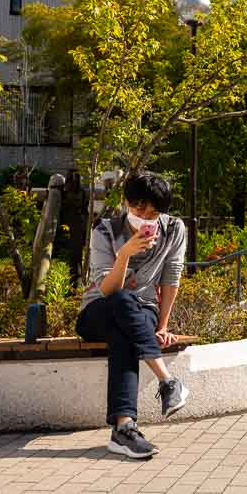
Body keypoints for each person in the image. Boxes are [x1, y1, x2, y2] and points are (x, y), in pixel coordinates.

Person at [76, 173, 189, 458]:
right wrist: (124, 254)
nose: (146, 217)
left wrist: (162, 326)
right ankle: (167, 381)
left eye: (153, 212)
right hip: (97, 311)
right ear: (126, 203)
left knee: (123, 335)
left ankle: (124, 427)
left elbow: (171, 277)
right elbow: (106, 289)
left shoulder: (174, 229)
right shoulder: (105, 231)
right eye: (139, 210)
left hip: (142, 313)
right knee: (122, 298)